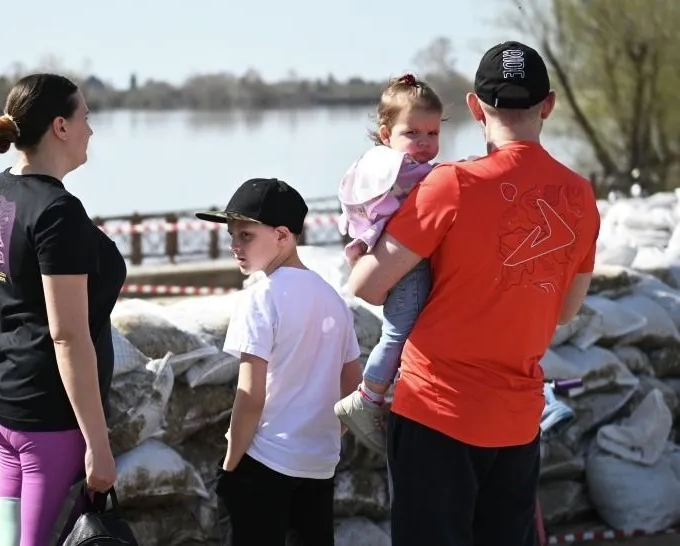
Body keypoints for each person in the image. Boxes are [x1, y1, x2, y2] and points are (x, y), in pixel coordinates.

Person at [346, 41, 601, 546]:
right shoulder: (580, 196)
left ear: (473, 106)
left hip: (435, 414)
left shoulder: (451, 184)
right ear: (547, 104)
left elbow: (367, 286)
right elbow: (566, 310)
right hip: (518, 421)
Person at [0, 73, 126, 546]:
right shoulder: (58, 212)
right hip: (47, 418)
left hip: (2, 401)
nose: (91, 131)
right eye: (85, 118)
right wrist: (99, 447)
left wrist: (2, 275)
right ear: (60, 126)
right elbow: (68, 337)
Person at [195, 178, 363, 546]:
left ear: (283, 235)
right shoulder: (333, 299)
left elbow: (250, 394)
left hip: (264, 461)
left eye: (246, 236)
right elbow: (353, 385)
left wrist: (230, 461)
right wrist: (322, 436)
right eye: (232, 235)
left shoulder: (260, 298)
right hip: (318, 464)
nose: (234, 246)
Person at [334, 74, 443, 454]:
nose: (425, 144)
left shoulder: (371, 164)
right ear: (386, 134)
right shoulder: (402, 167)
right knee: (397, 332)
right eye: (413, 133)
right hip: (404, 263)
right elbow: (439, 182)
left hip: (390, 255)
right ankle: (368, 396)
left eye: (433, 133)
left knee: (405, 329)